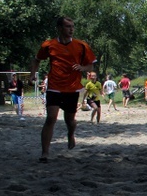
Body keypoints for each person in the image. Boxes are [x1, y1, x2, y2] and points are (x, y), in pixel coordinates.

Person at [28, 16, 97, 162]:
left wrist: (82, 68)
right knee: (51, 118)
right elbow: (36, 59)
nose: (71, 29)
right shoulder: (49, 45)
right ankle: (45, 153)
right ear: (59, 28)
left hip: (72, 88)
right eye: (67, 26)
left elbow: (91, 65)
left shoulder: (81, 45)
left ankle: (71, 134)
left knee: (69, 120)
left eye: (72, 26)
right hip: (54, 87)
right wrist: (32, 74)